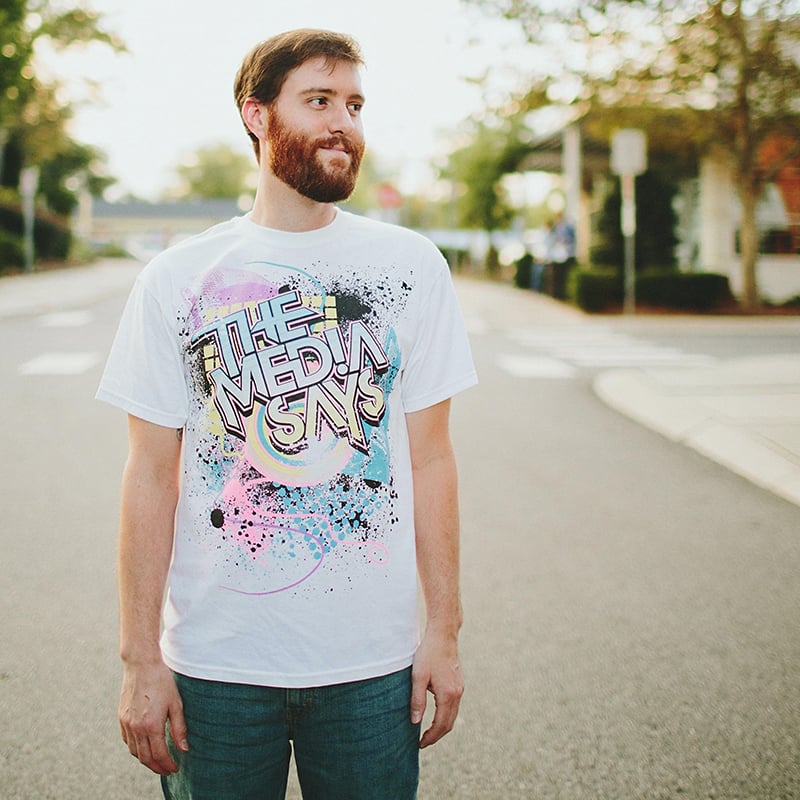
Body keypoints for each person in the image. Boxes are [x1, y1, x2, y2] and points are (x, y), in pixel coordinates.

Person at [96, 28, 477, 800]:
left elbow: (433, 459)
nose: (344, 122)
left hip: (372, 668)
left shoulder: (409, 268)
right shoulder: (178, 279)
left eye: (356, 105)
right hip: (216, 667)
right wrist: (141, 659)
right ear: (257, 116)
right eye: (319, 100)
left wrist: (444, 630)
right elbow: (150, 475)